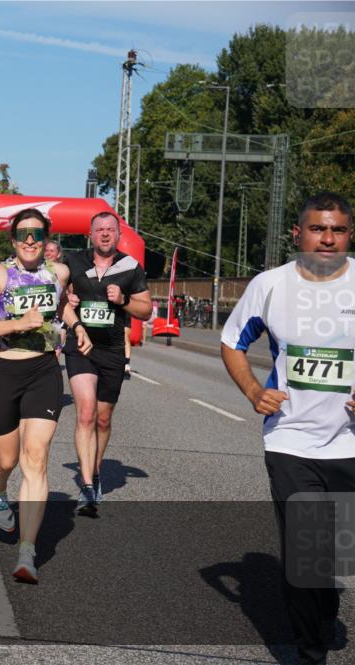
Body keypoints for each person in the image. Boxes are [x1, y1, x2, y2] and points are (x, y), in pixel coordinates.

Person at [221, 192, 354, 665]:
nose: (327, 238)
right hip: (291, 439)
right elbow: (232, 342)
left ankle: (321, 608)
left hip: (349, 444)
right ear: (298, 234)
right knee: (306, 549)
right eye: (318, 228)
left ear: (348, 235)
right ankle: (308, 651)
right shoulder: (271, 285)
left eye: (337, 230)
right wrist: (255, 392)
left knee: (333, 555)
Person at [0, 209, 77, 583]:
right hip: (2, 372)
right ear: (13, 240)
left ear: (47, 238)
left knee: (36, 456)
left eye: (37, 234)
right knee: (6, 458)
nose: (30, 240)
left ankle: (27, 552)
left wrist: (76, 325)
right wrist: (18, 324)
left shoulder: (58, 273)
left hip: (43, 372)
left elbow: (62, 304)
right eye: (22, 234)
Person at [62, 212, 151, 515]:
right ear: (90, 233)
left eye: (109, 230)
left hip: (112, 350)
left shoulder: (130, 266)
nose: (104, 234)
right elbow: (56, 294)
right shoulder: (73, 262)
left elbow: (146, 310)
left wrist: (124, 300)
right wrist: (68, 302)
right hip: (81, 346)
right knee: (85, 413)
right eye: (99, 229)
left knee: (102, 418)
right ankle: (87, 486)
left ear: (117, 235)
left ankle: (95, 470)